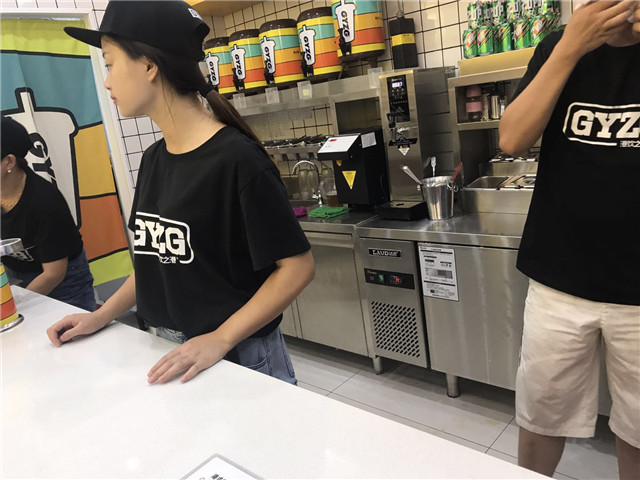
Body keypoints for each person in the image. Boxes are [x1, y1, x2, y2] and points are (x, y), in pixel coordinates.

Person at [46, 1, 314, 386]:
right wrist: (100, 316)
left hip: (239, 355)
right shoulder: (154, 158)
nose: (106, 82)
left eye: (110, 64)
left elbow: (298, 267)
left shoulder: (236, 160)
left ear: (149, 66)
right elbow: (155, 262)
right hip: (169, 350)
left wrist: (220, 338)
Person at [499, 1, 640, 478]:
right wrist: (570, 46)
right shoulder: (558, 46)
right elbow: (512, 139)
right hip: (560, 275)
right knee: (542, 415)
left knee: (638, 429)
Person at [1, 116, 96, 312]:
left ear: (9, 162)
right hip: (15, 272)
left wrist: (13, 307)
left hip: (63, 279)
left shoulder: (45, 202)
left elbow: (54, 274)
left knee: (70, 328)